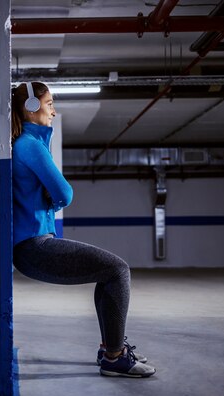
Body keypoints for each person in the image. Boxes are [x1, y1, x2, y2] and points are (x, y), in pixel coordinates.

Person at [10, 81, 156, 378]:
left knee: (108, 272)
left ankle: (111, 348)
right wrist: (53, 201)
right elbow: (65, 192)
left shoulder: (27, 143)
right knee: (118, 270)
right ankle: (114, 357)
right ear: (32, 107)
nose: (53, 110)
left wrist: (47, 200)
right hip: (34, 247)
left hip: (31, 246)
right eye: (49, 103)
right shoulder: (30, 145)